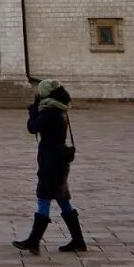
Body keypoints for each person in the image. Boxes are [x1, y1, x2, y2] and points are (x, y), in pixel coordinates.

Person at [13, 78, 85, 254]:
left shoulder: (48, 113)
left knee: (44, 196)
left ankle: (33, 240)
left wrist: (33, 111)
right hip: (60, 160)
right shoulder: (60, 110)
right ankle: (78, 240)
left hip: (50, 161)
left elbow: (32, 128)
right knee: (62, 198)